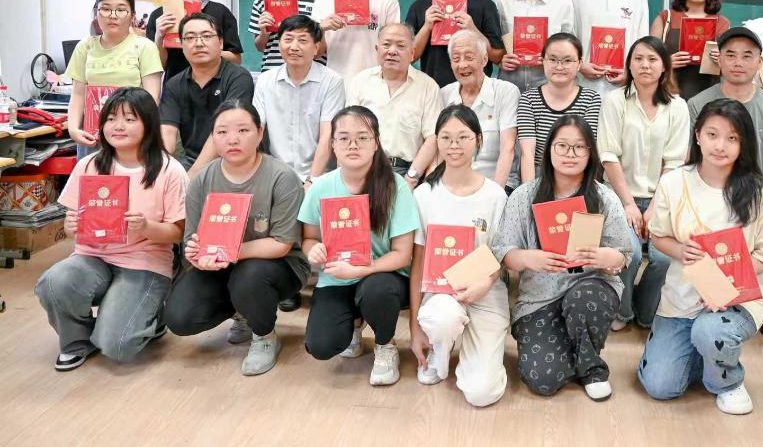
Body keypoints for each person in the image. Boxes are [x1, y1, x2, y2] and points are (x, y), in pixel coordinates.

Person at [638, 99, 763, 415]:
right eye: (712, 134)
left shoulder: (761, 193)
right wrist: (680, 250)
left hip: (738, 299)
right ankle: (705, 355)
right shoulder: (673, 182)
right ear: (698, 136)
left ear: (743, 143)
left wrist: (725, 287)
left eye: (732, 138)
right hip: (682, 298)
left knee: (710, 332)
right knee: (660, 386)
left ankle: (727, 381)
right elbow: (658, 236)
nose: (720, 146)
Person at [35, 87, 187, 371]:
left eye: (130, 119)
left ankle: (151, 317)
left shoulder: (170, 170)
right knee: (53, 282)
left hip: (144, 263)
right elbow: (72, 224)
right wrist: (70, 226)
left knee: (118, 346)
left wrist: (146, 227)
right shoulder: (89, 164)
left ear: (149, 124)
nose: (118, 126)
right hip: (93, 257)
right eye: (111, 118)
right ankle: (77, 341)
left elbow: (178, 232)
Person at [164, 101, 310, 376]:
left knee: (249, 276)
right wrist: (197, 255)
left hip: (279, 266)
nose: (232, 139)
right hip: (222, 265)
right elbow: (193, 241)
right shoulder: (201, 181)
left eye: (243, 130)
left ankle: (264, 335)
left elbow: (281, 244)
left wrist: (229, 251)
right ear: (213, 137)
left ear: (260, 132)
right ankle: (243, 313)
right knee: (180, 317)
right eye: (222, 132)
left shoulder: (282, 177)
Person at [491, 114, 630, 401]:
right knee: (542, 379)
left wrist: (604, 256)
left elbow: (622, 256)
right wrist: (529, 258)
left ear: (590, 153)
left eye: (579, 147)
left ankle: (592, 369)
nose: (570, 153)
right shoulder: (524, 196)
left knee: (584, 298)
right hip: (539, 298)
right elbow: (504, 253)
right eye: (562, 146)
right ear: (549, 150)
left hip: (589, 289)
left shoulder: (604, 198)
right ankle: (575, 348)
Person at [687, 27, 763, 352]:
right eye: (730, 55)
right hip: (709, 191)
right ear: (718, 60)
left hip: (757, 198)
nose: (738, 62)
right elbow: (690, 160)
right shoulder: (697, 103)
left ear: (760, 62)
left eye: (748, 56)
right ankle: (702, 304)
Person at [301, 106, 420, 386]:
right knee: (321, 345)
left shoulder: (395, 187)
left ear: (376, 143)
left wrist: (361, 269)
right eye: (343, 138)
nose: (352, 145)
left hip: (384, 277)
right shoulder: (321, 187)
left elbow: (403, 255)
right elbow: (309, 238)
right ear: (332, 145)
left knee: (377, 290)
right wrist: (313, 250)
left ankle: (384, 344)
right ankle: (354, 322)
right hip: (336, 279)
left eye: (362, 137)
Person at [410, 105, 510, 407]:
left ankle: (477, 354)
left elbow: (500, 255)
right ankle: (440, 350)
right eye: (446, 137)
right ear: (436, 141)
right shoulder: (424, 195)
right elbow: (419, 263)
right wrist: (415, 328)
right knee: (442, 318)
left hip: (486, 292)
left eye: (463, 137)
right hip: (441, 294)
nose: (454, 145)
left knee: (481, 393)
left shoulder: (495, 195)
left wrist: (484, 283)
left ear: (479, 140)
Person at [598, 36, 689, 331]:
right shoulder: (614, 101)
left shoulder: (678, 107)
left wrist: (654, 207)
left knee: (664, 257)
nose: (645, 65)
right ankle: (622, 311)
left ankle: (647, 311)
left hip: (662, 198)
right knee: (631, 253)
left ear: (664, 67)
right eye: (638, 59)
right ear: (629, 65)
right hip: (618, 196)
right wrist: (628, 204)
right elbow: (608, 156)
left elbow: (674, 162)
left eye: (652, 59)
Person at [67, 0, 163, 157]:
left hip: (132, 136)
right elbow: (78, 94)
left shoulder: (144, 47)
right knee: (92, 175)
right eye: (105, 9)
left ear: (132, 16)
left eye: (121, 10)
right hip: (93, 136)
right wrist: (73, 128)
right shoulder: (85, 47)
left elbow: (152, 98)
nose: (112, 15)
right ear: (96, 13)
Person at [253, 14, 345, 186]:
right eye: (288, 39)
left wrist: (311, 181)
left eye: (302, 40)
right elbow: (256, 130)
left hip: (321, 176)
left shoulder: (332, 81)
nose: (294, 47)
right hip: (275, 175)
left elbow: (328, 135)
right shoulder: (265, 81)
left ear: (316, 47)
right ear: (279, 44)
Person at [345, 23, 441, 185]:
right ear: (377, 49)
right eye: (386, 44)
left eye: (401, 46)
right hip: (364, 169)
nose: (392, 51)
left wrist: (411, 178)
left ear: (412, 53)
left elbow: (432, 137)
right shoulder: (360, 82)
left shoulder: (428, 86)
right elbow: (348, 130)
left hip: (406, 171)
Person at [160, 12, 255, 175]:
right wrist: (162, 172)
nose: (199, 43)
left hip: (232, 159)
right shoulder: (174, 84)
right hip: (189, 161)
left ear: (221, 42)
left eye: (206, 36)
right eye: (190, 38)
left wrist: (191, 178)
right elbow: (167, 134)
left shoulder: (238, 78)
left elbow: (225, 131)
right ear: (181, 45)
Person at [440, 30, 520, 190]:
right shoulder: (444, 94)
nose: (462, 65)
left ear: (484, 60)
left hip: (495, 183)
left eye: (469, 57)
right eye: (456, 59)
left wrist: (495, 195)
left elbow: (508, 148)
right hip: (454, 186)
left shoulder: (505, 91)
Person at [518, 33, 601, 183]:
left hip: (577, 176)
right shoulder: (528, 99)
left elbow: (587, 150)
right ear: (543, 61)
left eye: (568, 60)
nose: (559, 67)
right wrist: (529, 192)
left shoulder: (591, 99)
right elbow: (527, 153)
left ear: (579, 64)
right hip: (539, 176)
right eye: (553, 59)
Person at [650, 0, 731, 100]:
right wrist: (666, 63)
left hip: (709, 100)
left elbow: (731, 67)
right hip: (669, 97)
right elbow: (648, 60)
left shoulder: (722, 23)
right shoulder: (666, 18)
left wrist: (722, 61)